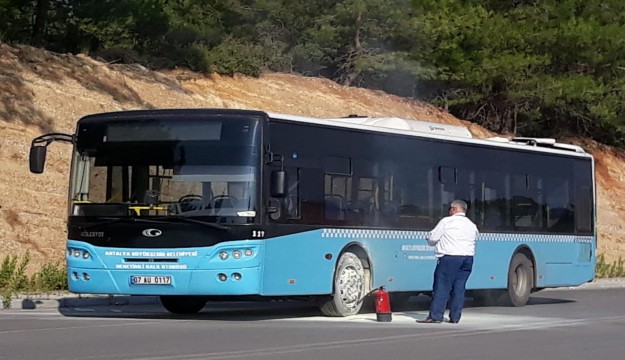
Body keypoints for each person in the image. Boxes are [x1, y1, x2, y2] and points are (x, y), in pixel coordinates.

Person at [417, 199, 479, 324]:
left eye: (450, 208)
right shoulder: (471, 225)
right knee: (459, 288)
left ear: (455, 209)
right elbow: (476, 237)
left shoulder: (447, 221)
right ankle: (455, 317)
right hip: (468, 259)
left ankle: (436, 316)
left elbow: (433, 238)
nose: (449, 210)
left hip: (450, 258)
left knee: (442, 287)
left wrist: (429, 239)